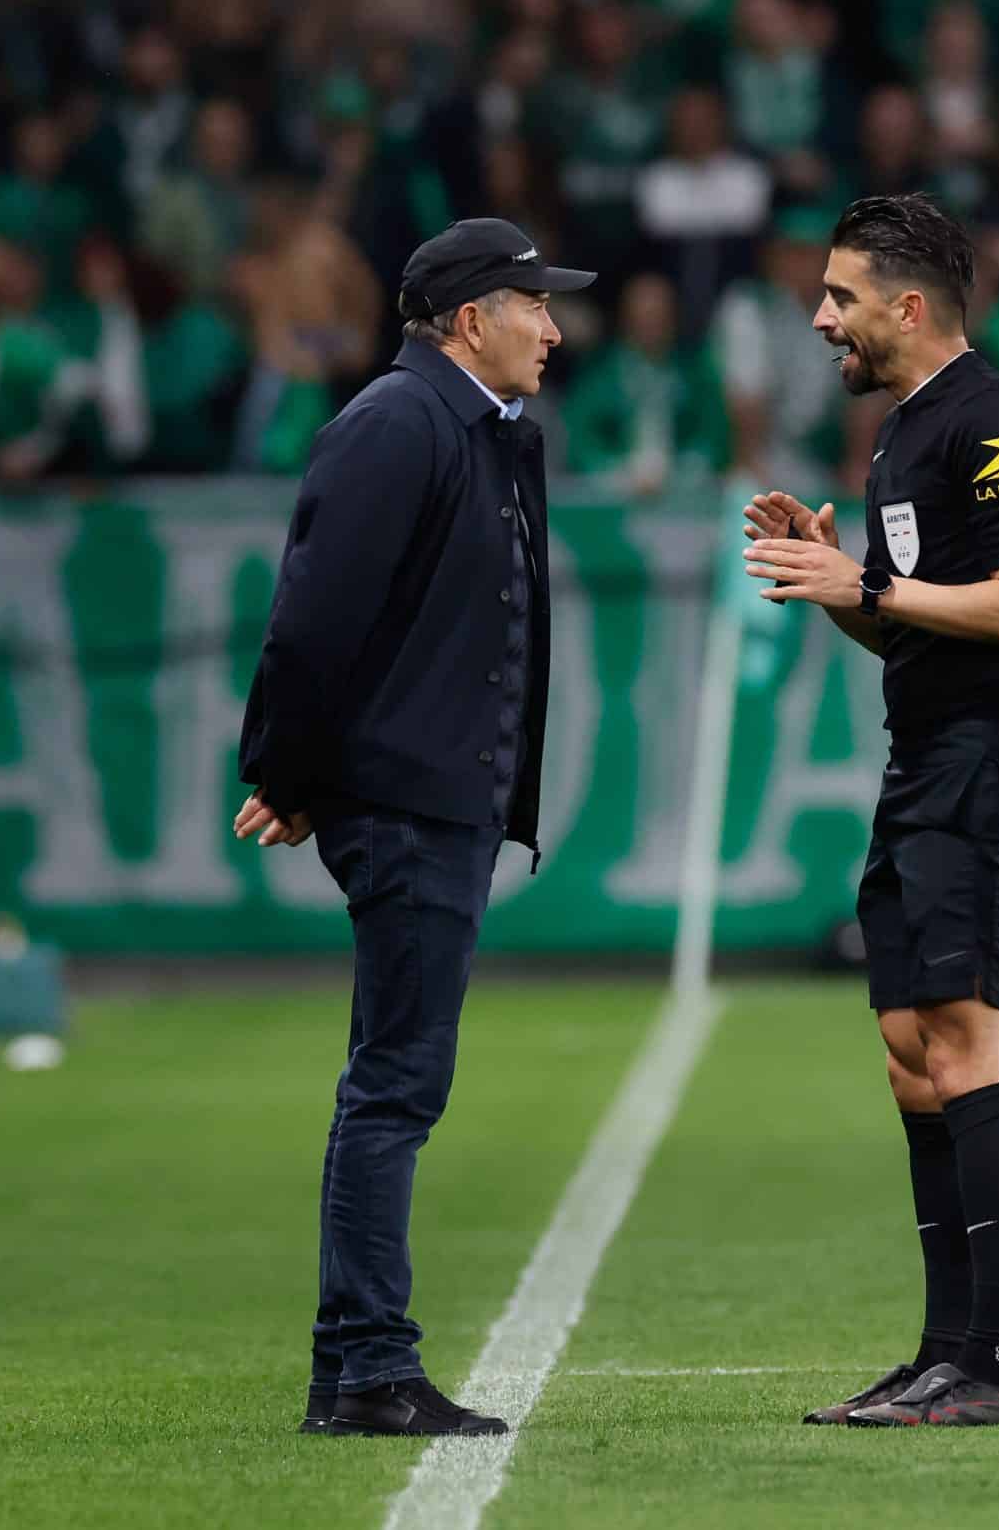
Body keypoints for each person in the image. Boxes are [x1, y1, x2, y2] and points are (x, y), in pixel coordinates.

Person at [235, 217, 593, 1440]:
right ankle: (371, 1369)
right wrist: (287, 772)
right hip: (407, 799)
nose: (553, 327)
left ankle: (356, 1371)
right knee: (394, 1087)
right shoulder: (397, 425)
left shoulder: (463, 429)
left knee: (392, 1082)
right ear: (466, 320)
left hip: (434, 796)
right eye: (532, 304)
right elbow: (310, 624)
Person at [740, 194, 999, 1429]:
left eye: (839, 297)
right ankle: (941, 1352)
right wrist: (834, 586)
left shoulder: (992, 422)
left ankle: (997, 1366)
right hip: (928, 755)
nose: (822, 318)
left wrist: (867, 578)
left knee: (969, 1044)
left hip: (992, 759)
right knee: (909, 1053)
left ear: (908, 305)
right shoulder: (901, 435)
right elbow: (906, 624)